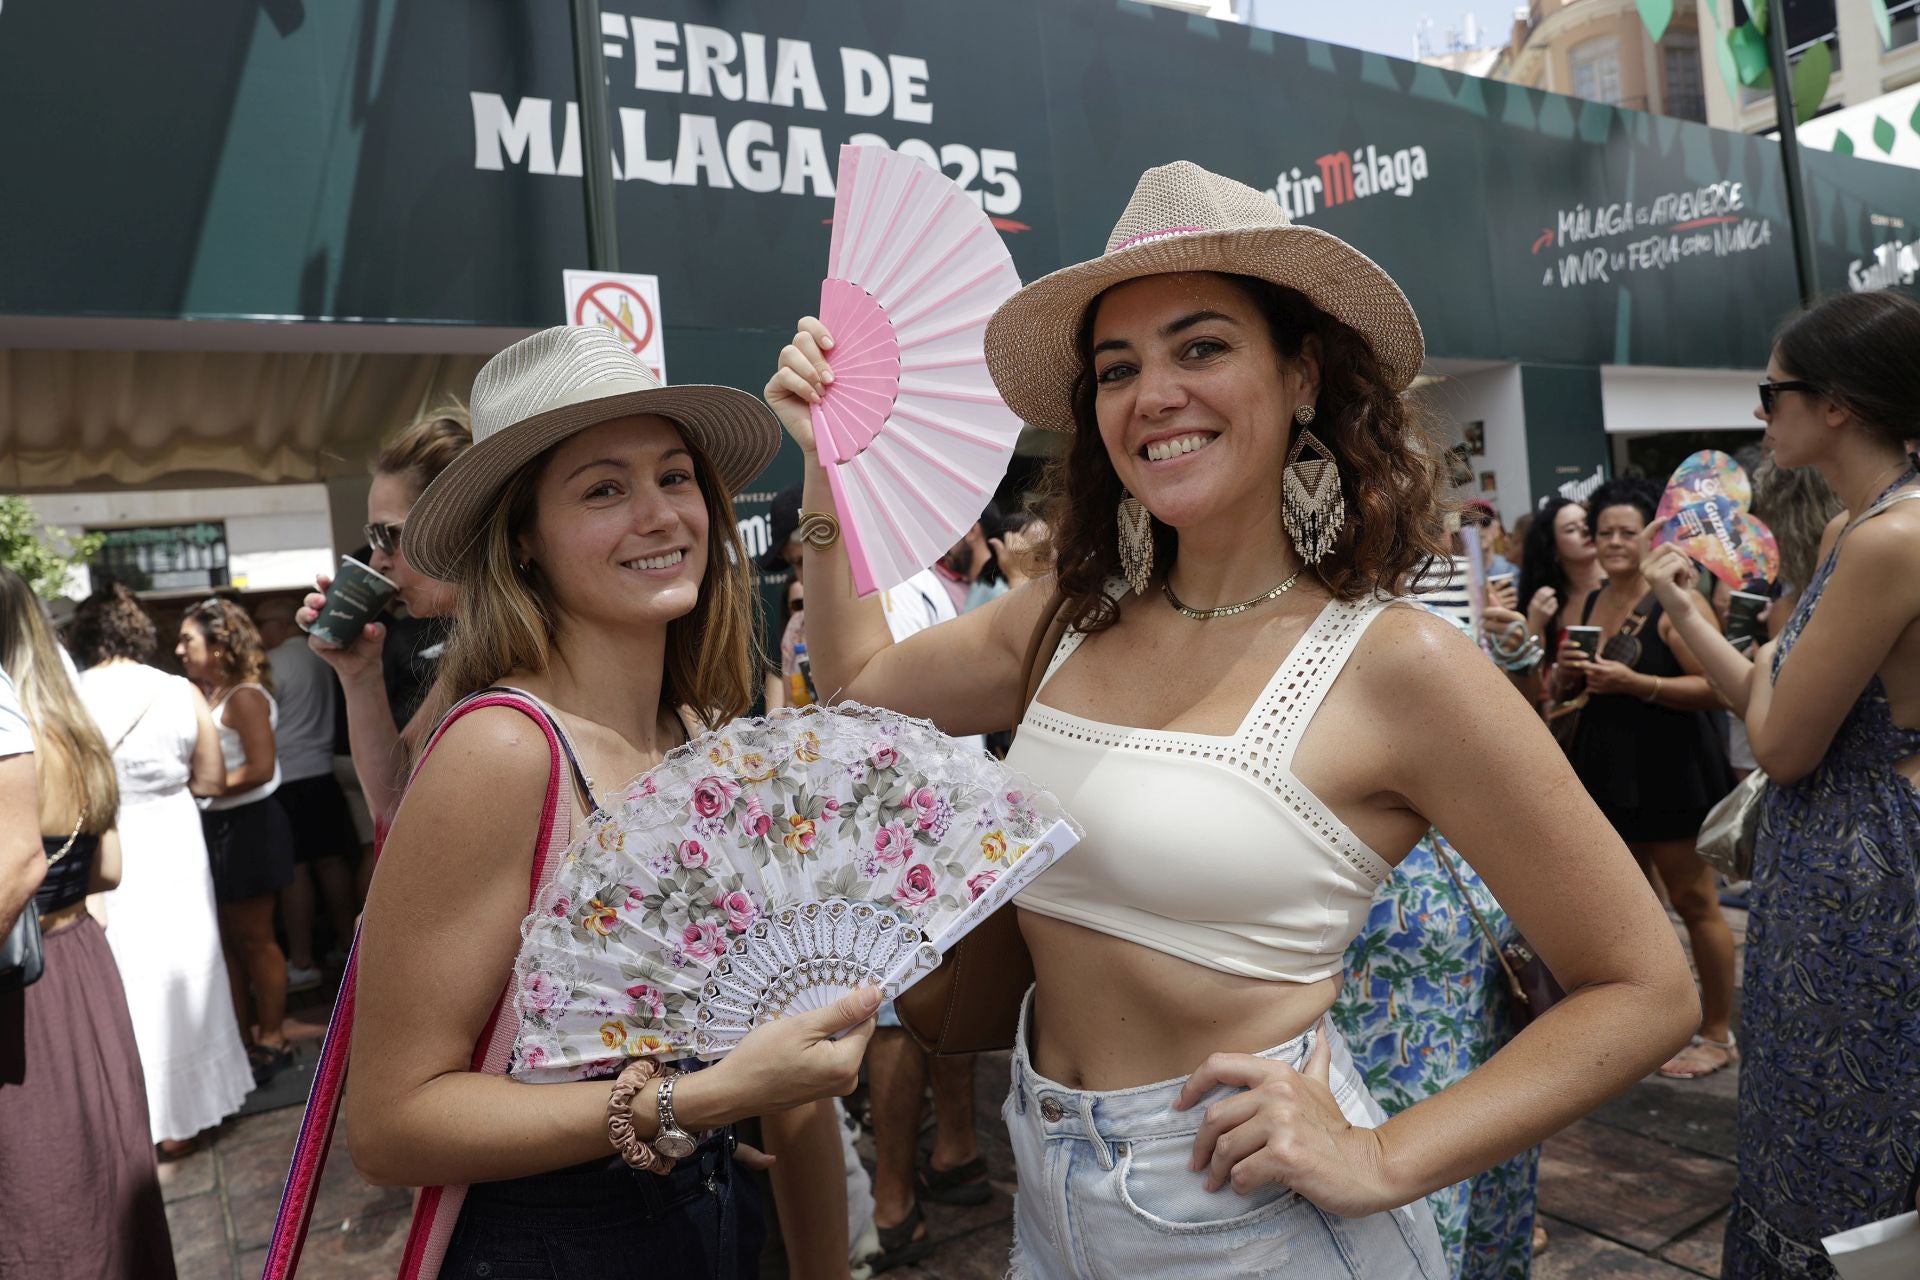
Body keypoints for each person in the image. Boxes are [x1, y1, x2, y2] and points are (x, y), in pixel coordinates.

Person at [768, 161, 1696, 1278]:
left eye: (1200, 348)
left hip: (1251, 1217)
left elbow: (1646, 986)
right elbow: (861, 680)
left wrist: (1385, 1155)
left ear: (1302, 373)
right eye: (1118, 368)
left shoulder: (1396, 663)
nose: (1153, 394)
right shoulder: (1063, 618)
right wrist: (827, 465)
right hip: (1046, 1192)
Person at [336, 325, 876, 1277]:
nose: (659, 515)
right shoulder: (501, 753)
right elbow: (390, 1125)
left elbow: (784, 1079)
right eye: (603, 490)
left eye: (675, 477)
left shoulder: (701, 734)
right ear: (524, 541)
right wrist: (690, 1103)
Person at [1643, 290, 1920, 1277]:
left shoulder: (1888, 538)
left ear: (1836, 402)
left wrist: (1748, 650)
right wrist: (1691, 614)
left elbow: (1783, 744)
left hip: (1861, 862)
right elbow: (1777, 708)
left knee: (1846, 1121)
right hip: (1834, 847)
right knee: (1814, 1104)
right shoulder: (1858, 526)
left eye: (1773, 392)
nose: (1760, 413)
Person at [0, 566, 175, 1279]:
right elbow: (108, 870)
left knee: (41, 1194)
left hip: (23, 986)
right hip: (83, 963)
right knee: (101, 1174)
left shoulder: (13, 745)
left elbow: (18, 867)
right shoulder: (75, 733)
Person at [1551, 477, 1738, 1080]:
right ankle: (1651, 1026)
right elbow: (1566, 691)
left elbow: (1720, 686)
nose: (1613, 542)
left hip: (1670, 767)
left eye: (1627, 532)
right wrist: (1566, 674)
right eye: (1603, 532)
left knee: (1695, 901)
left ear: (1651, 537)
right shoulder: (1587, 602)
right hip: (1607, 770)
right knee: (1631, 909)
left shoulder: (1674, 601)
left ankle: (1718, 1032)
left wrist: (1640, 684)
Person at [68, 583, 254, 1155]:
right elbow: (212, 779)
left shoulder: (68, 695)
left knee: (127, 973)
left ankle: (140, 1114)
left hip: (107, 842)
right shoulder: (177, 690)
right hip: (176, 838)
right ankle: (194, 1111)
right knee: (191, 967)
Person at [306, 404, 469, 843]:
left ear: (460, 524)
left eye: (387, 534)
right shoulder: (479, 646)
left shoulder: (556, 639)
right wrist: (358, 673)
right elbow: (392, 803)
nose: (377, 559)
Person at [178, 595, 297, 1083]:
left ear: (219, 644)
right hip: (219, 825)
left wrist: (201, 786)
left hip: (250, 825)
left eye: (187, 640)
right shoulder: (209, 694)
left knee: (256, 938)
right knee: (226, 941)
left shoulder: (245, 696)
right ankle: (241, 1037)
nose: (179, 650)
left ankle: (273, 1038)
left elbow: (262, 767)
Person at [254, 596, 358, 988]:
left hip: (288, 775)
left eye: (262, 621)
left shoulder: (273, 663)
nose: (257, 631)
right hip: (322, 770)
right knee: (332, 863)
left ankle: (301, 959)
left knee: (296, 870)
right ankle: (347, 946)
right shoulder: (320, 656)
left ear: (282, 624)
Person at [1481, 497, 1599, 706]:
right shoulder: (1546, 603)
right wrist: (1535, 624)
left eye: (1587, 522)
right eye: (1571, 529)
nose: (1585, 530)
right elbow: (1532, 688)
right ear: (1553, 548)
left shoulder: (1624, 581)